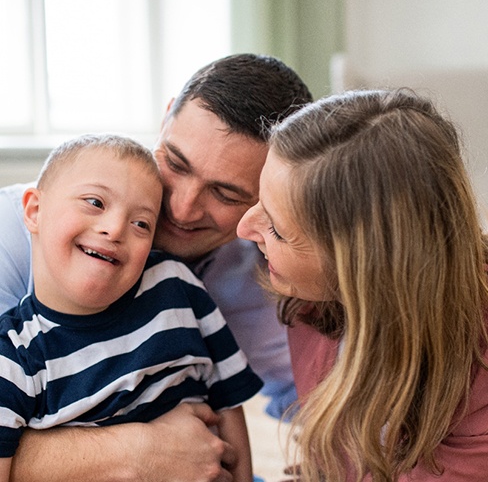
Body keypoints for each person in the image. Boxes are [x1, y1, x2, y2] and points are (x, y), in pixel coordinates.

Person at [0, 53, 313, 482]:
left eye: (224, 193)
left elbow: (315, 393)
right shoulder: (19, 237)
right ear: (166, 118)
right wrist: (136, 452)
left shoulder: (261, 270)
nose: (181, 208)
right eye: (177, 164)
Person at [237, 88, 488, 481]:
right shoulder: (309, 303)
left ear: (361, 267)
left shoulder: (477, 377)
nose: (244, 227)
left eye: (277, 229)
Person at [0, 134, 262, 482]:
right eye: (95, 202)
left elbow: (229, 399)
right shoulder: (13, 358)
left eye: (142, 224)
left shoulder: (176, 285)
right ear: (34, 211)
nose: (115, 229)